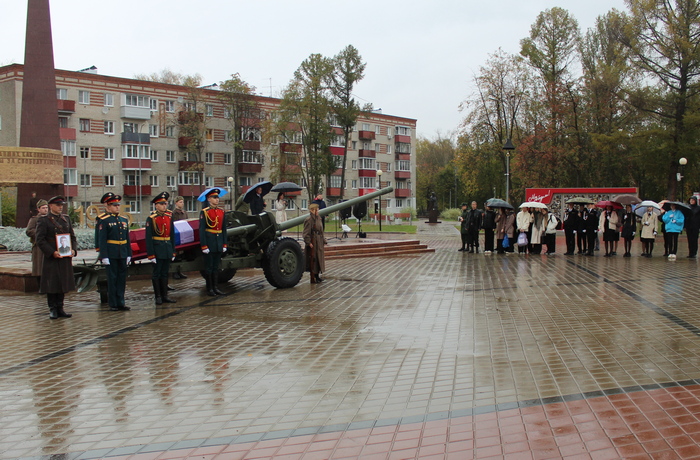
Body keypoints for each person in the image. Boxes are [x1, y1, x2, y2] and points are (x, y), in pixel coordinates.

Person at [35, 196, 76, 319]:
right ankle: (52, 308)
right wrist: (52, 252)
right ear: (51, 206)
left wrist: (73, 250)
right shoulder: (44, 220)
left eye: (61, 205)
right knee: (52, 283)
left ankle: (60, 307)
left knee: (62, 282)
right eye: (58, 205)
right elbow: (40, 240)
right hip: (52, 257)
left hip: (65, 255)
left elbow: (72, 236)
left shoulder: (66, 219)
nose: (60, 207)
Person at [98, 193, 132, 311]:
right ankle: (113, 303)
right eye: (114, 205)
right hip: (111, 253)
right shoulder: (104, 221)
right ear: (108, 207)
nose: (117, 207)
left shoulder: (123, 220)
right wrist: (104, 256)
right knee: (112, 279)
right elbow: (102, 240)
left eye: (118, 205)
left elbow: (127, 239)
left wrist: (129, 254)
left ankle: (121, 302)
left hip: (122, 253)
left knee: (121, 279)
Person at [146, 192, 177, 305]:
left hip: (167, 248)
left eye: (165, 204)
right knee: (157, 273)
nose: (164, 206)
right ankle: (158, 296)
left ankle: (165, 296)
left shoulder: (169, 217)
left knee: (165, 273)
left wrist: (173, 251)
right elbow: (148, 238)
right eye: (162, 204)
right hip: (157, 249)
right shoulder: (152, 218)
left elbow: (172, 235)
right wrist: (151, 254)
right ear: (156, 205)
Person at [200, 188, 227, 296]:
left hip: (218, 242)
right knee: (209, 267)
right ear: (209, 199)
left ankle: (215, 287)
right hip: (209, 242)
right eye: (214, 197)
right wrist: (204, 246)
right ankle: (209, 288)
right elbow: (202, 230)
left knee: (216, 267)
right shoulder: (205, 212)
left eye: (217, 197)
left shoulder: (221, 211)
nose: (217, 199)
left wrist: (224, 244)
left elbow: (223, 229)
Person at [303, 203, 326, 283]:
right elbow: (306, 233)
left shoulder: (318, 218)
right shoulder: (309, 220)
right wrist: (308, 242)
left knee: (319, 258)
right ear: (313, 210)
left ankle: (317, 275)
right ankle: (314, 276)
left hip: (319, 241)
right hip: (314, 242)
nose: (318, 211)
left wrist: (323, 240)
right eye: (317, 209)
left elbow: (321, 230)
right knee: (314, 260)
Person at [26, 199, 49, 280]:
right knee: (39, 267)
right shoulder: (34, 219)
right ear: (38, 209)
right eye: (43, 208)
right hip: (38, 247)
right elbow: (29, 231)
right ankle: (40, 284)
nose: (45, 209)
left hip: (49, 245)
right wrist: (40, 233)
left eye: (46, 207)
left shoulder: (50, 218)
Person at [170, 196, 188, 280]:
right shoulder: (174, 213)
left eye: (183, 202)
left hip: (183, 234)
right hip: (177, 235)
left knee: (181, 255)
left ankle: (179, 271)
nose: (182, 204)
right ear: (176, 203)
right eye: (180, 202)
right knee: (176, 254)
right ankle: (174, 272)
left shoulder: (184, 213)